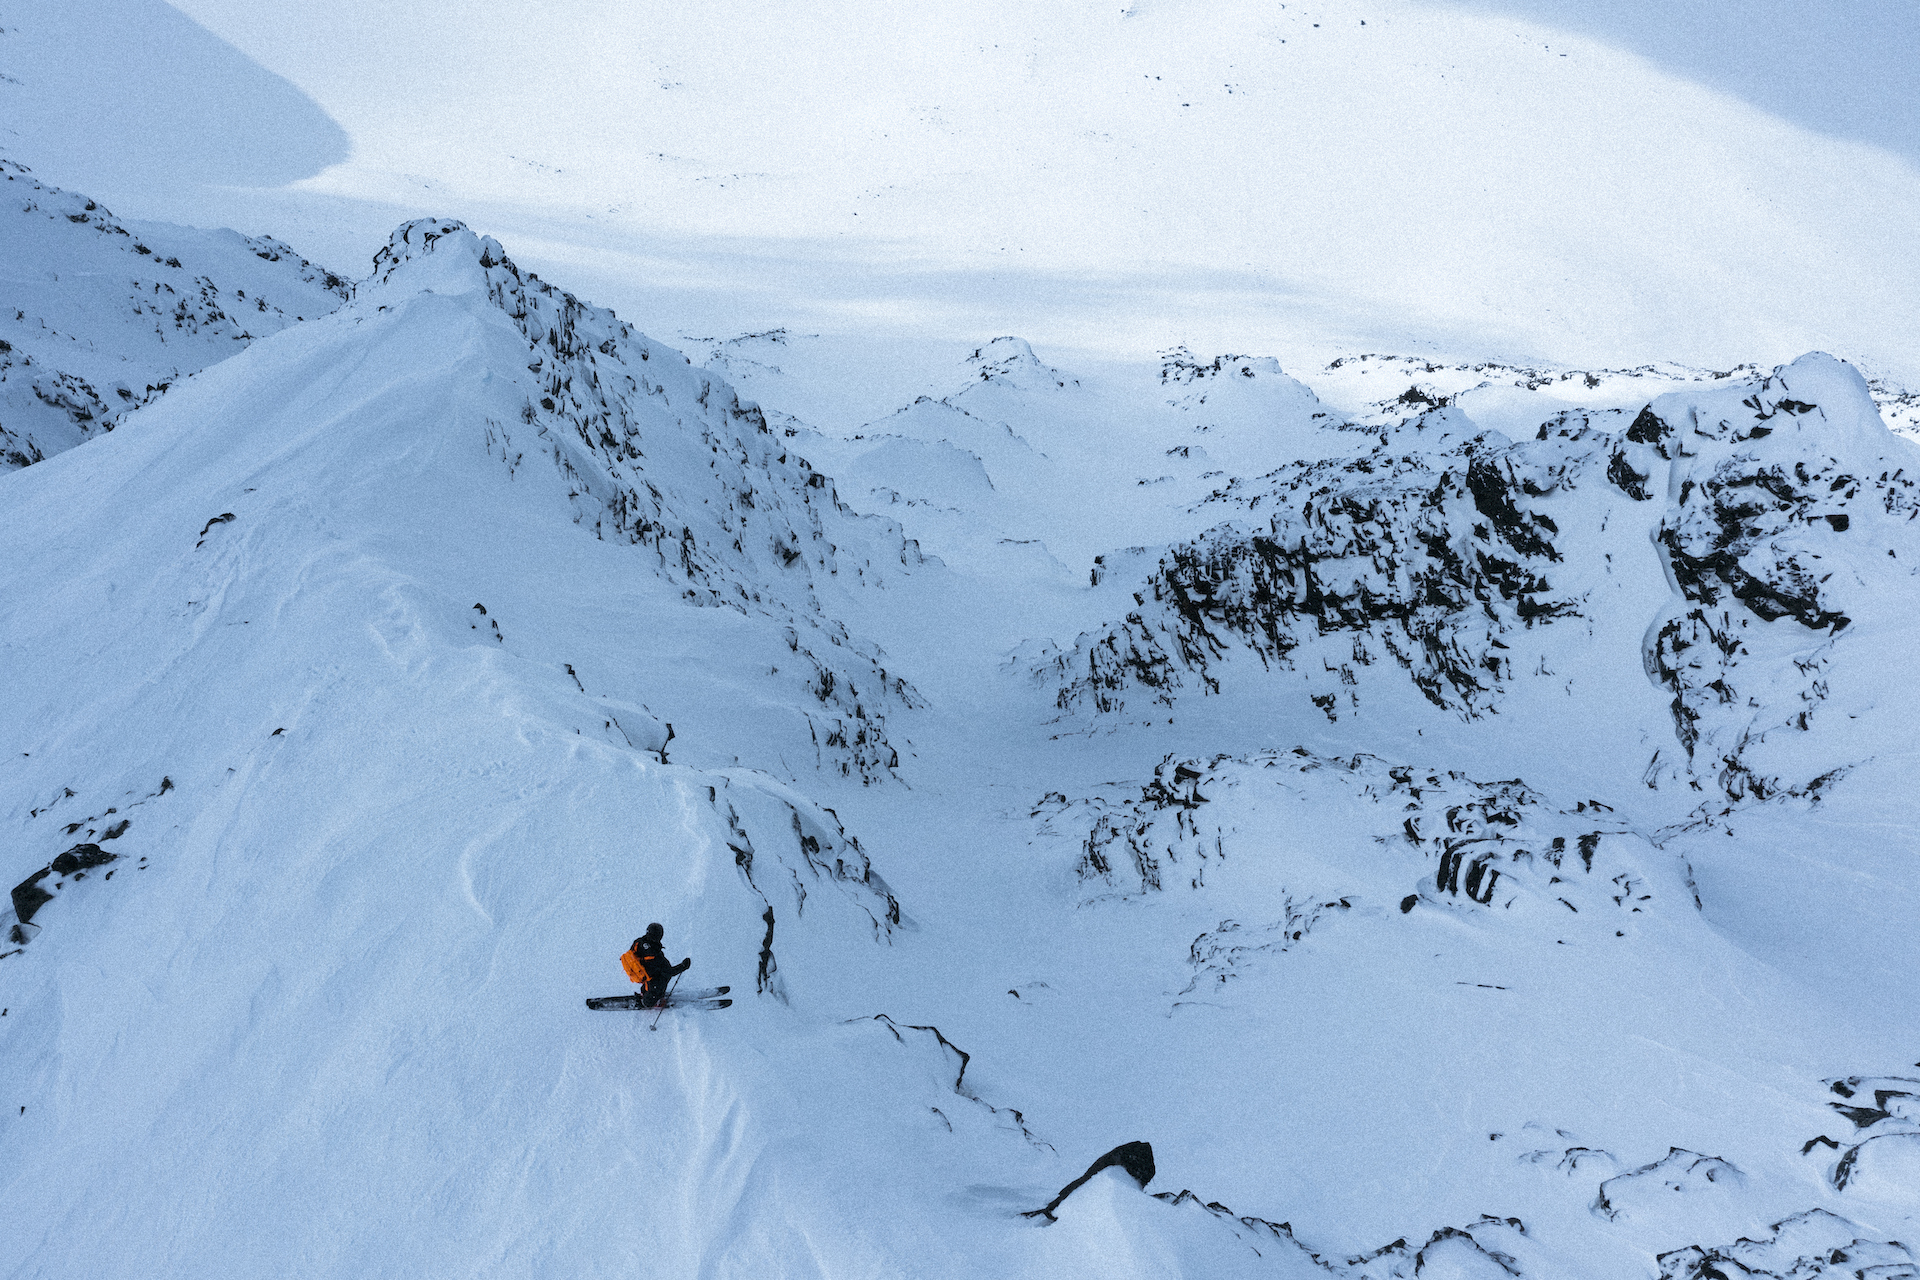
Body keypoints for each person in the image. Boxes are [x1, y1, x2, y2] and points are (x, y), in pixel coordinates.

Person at [621, 923, 690, 1007]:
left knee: (656, 974)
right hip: (650, 976)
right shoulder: (654, 954)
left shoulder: (639, 942)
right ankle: (648, 999)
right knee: (663, 977)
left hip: (644, 973)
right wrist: (683, 966)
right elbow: (669, 971)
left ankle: (646, 989)